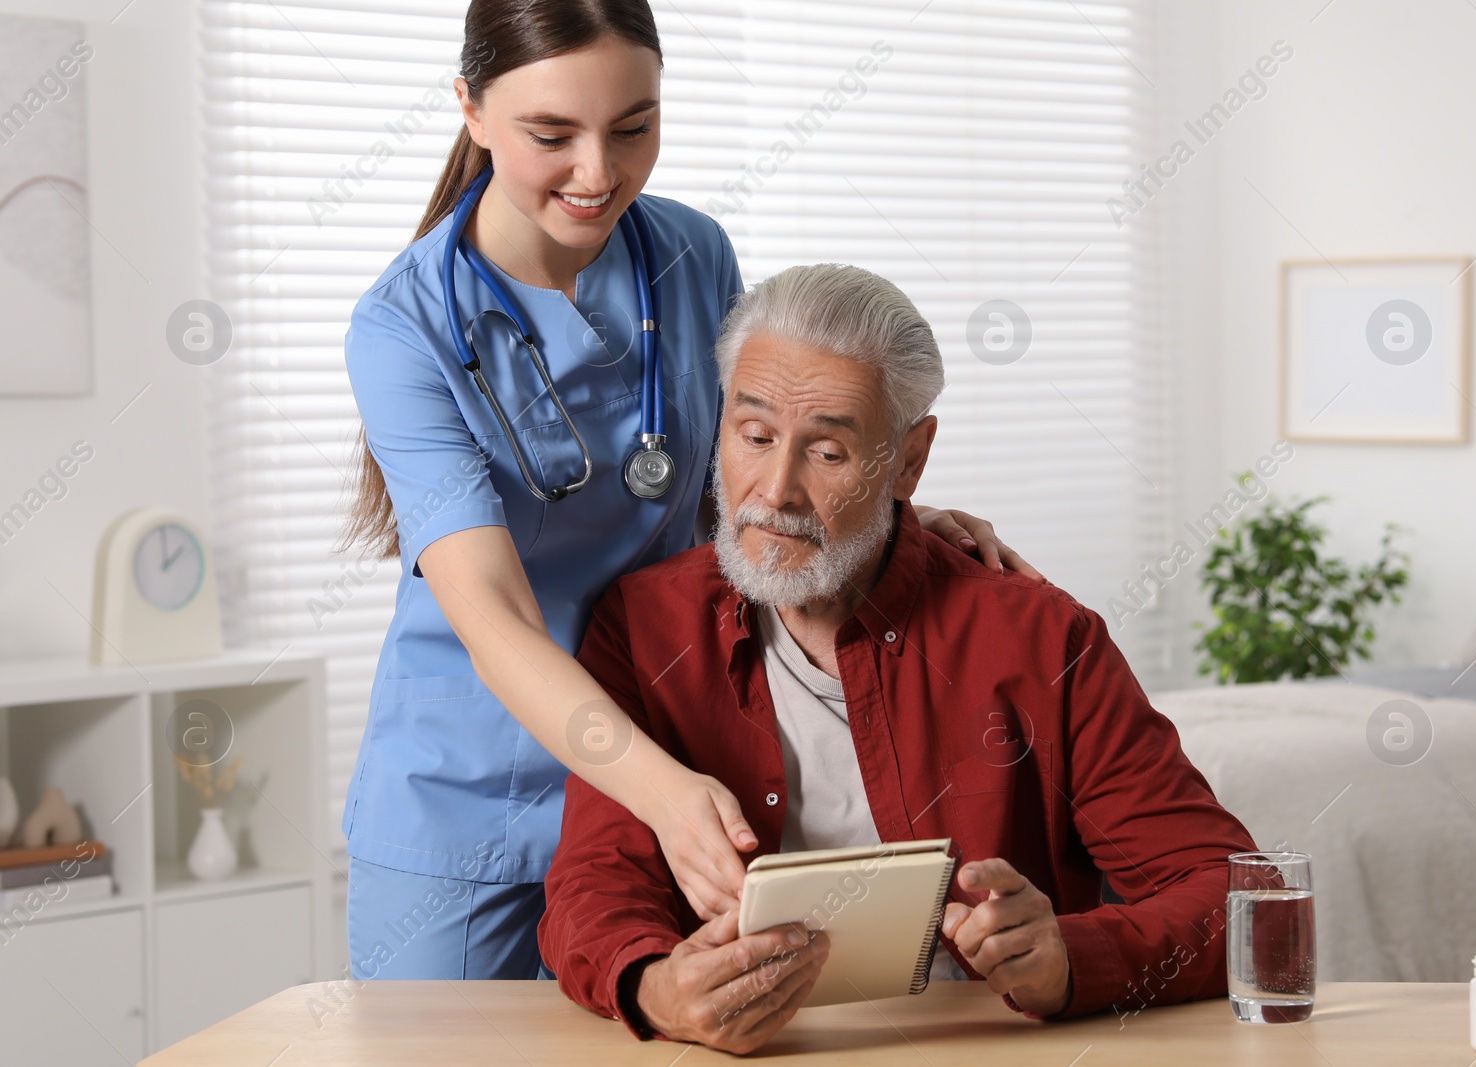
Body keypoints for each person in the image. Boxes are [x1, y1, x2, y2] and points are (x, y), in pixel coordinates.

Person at [335, 0, 1036, 982]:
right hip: (477, 799)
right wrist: (662, 792)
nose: (598, 173)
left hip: (671, 751)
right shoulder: (402, 327)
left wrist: (887, 522)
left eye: (634, 128)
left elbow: (748, 488)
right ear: (470, 108)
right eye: (552, 135)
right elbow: (491, 612)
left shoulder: (690, 253)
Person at [538, 263, 1259, 1053]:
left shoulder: (1043, 639)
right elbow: (593, 886)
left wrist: (1069, 958)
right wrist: (653, 987)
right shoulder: (644, 625)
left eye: (829, 452)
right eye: (754, 437)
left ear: (909, 461)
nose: (774, 490)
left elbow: (1235, 893)